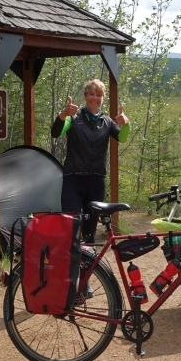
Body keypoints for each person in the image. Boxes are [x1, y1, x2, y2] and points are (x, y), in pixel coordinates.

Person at [51, 79, 130, 243]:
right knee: (71, 227)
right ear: (85, 96)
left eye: (99, 95)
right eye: (91, 94)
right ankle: (70, 265)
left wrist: (125, 124)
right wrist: (63, 114)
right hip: (73, 180)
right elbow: (56, 133)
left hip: (96, 181)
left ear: (103, 98)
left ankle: (88, 265)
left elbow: (122, 138)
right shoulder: (73, 119)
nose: (95, 98)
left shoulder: (107, 122)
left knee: (89, 231)